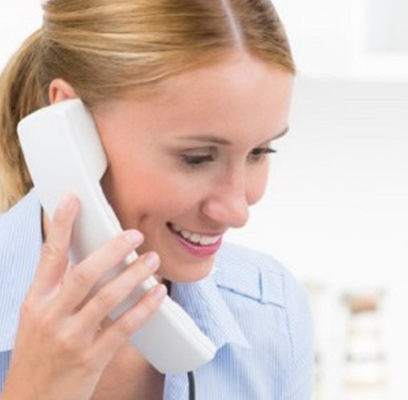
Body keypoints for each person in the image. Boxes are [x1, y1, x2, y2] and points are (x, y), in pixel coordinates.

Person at [0, 0, 315, 399]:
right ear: (70, 121)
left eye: (260, 152)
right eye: (196, 158)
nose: (237, 211)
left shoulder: (271, 316)